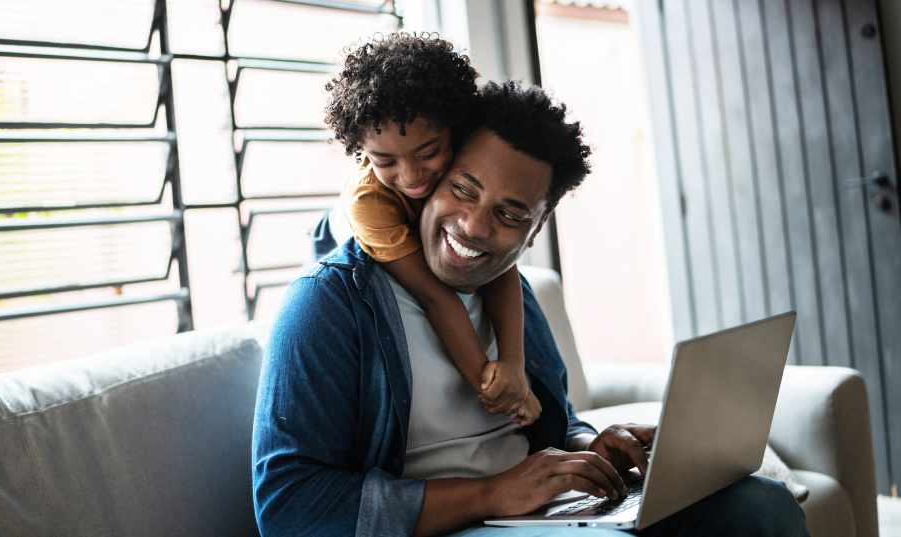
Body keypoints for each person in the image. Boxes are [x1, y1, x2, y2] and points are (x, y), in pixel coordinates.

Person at [252, 81, 809, 537]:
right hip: (448, 525)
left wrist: (590, 446)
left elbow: (550, 422)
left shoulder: (510, 291)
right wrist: (493, 493)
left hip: (540, 516)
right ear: (427, 182)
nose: (474, 228)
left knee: (763, 506)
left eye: (510, 214)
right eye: (464, 190)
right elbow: (288, 506)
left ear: (537, 229)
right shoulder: (330, 303)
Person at [323, 33, 539, 423]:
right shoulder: (369, 199)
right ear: (361, 149)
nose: (411, 176)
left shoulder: (463, 169)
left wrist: (513, 362)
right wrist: (496, 388)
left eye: (428, 152)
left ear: (454, 131)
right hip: (347, 234)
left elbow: (502, 269)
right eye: (384, 160)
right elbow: (435, 296)